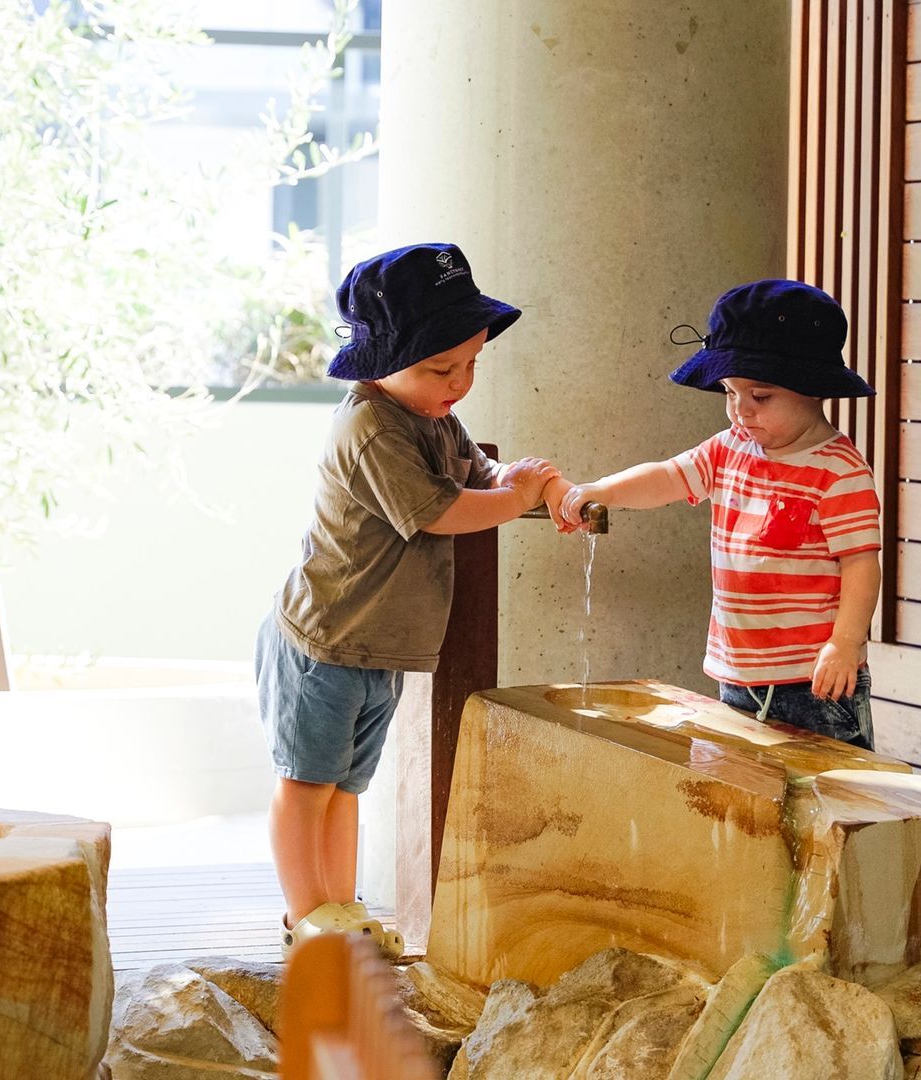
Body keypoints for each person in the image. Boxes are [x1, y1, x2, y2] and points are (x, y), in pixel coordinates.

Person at [261, 242, 567, 955]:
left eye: (469, 365)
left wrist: (529, 482)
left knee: (345, 788)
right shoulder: (369, 426)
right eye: (440, 367)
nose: (458, 383)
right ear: (382, 360)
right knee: (306, 783)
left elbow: (480, 473)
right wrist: (510, 495)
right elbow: (442, 510)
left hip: (379, 645)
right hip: (325, 640)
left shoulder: (433, 415)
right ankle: (305, 914)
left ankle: (339, 908)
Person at [557, 279, 883, 748]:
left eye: (761, 396)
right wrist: (603, 489)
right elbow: (669, 476)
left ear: (813, 389)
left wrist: (846, 642)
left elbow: (860, 563)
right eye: (731, 393)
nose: (740, 411)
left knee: (825, 800)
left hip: (812, 683)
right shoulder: (731, 449)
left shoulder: (838, 472)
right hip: (738, 674)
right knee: (743, 801)